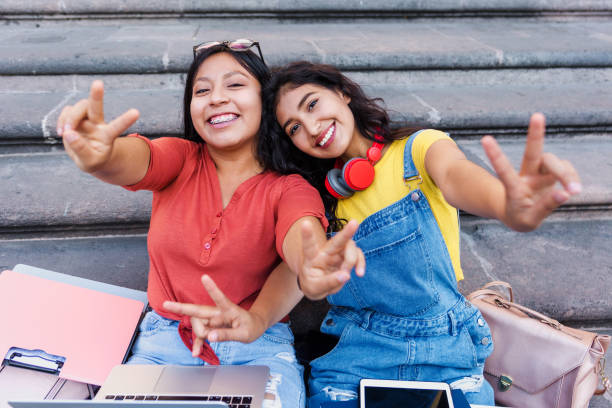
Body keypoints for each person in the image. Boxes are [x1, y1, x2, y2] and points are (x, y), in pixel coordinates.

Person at [55, 43, 364, 408]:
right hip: (163, 346)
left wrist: (311, 263)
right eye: (202, 90)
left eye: (234, 85)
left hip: (258, 349)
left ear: (265, 102)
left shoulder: (288, 188)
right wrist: (103, 157)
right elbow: (137, 159)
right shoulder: (180, 159)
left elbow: (302, 236)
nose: (216, 98)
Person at [261, 61, 582, 407]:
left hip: (448, 351)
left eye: (312, 104)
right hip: (354, 357)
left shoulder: (418, 150)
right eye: (293, 127)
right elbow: (299, 269)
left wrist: (507, 205)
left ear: (342, 93)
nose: (310, 127)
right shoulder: (322, 199)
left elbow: (457, 174)